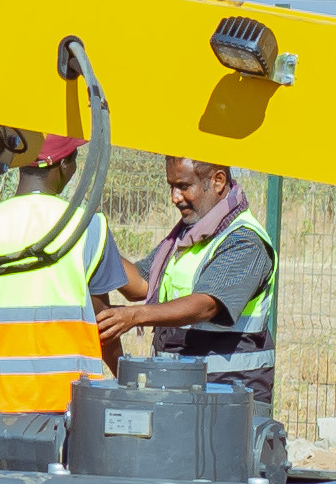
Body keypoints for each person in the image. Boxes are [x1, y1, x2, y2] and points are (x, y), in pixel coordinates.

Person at [0, 133, 133, 423]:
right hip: (73, 401)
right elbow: (105, 325)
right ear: (63, 165)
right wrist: (126, 380)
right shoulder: (88, 225)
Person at [100, 155, 276, 409]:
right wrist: (97, 244)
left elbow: (206, 305)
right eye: (171, 186)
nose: (175, 197)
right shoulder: (186, 236)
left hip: (230, 398)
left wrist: (134, 316)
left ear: (217, 181)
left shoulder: (245, 240)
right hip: (182, 391)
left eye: (183, 186)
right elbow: (141, 285)